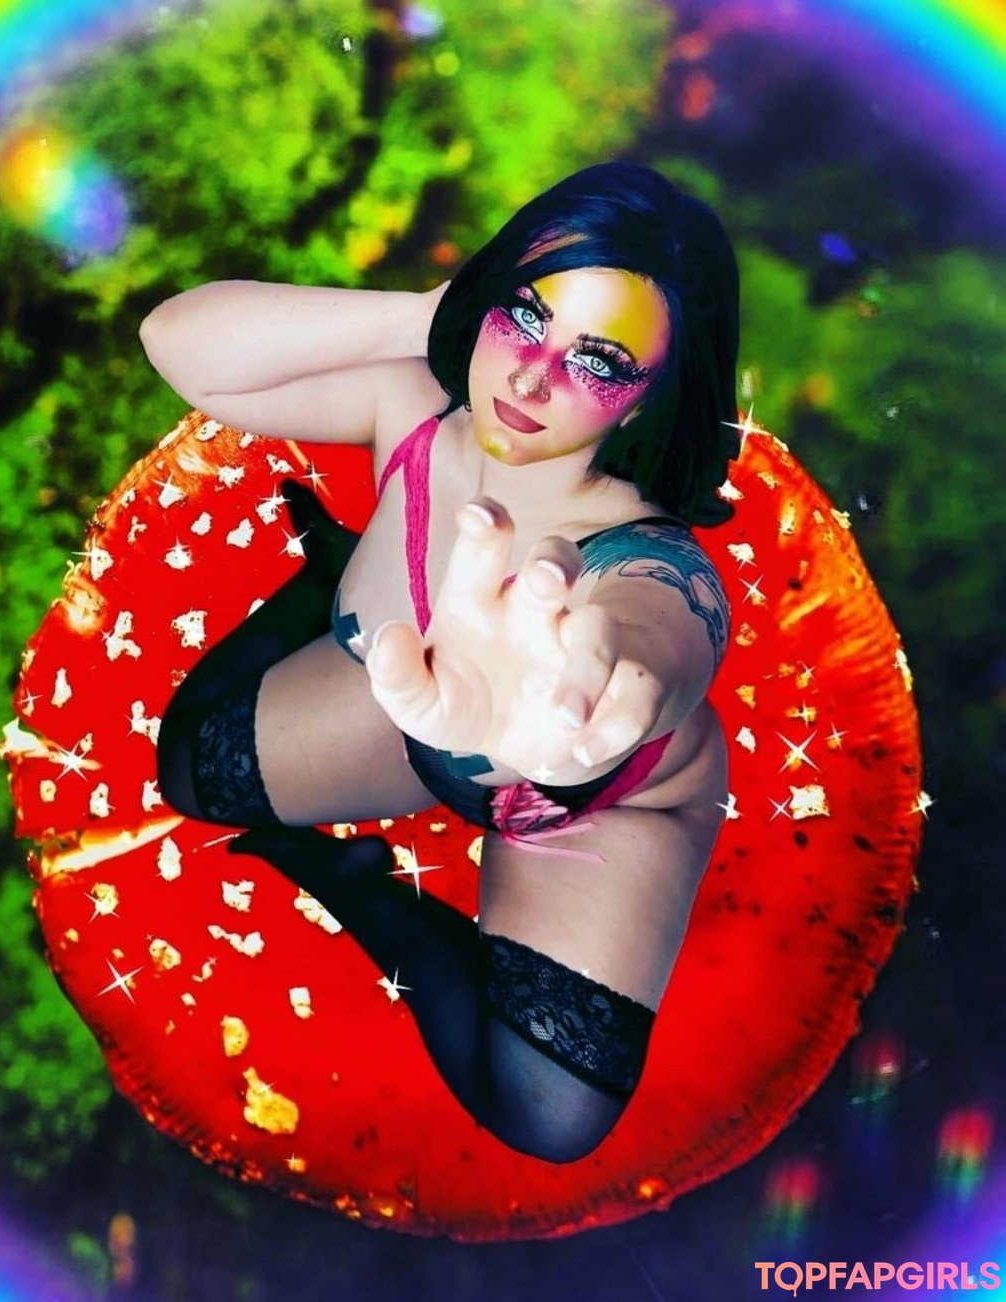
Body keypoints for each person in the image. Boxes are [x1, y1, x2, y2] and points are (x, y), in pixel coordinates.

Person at [141, 162, 739, 1164]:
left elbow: (659, 632)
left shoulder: (648, 561)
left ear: (648, 400)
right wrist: (430, 316)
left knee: (547, 1118)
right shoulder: (414, 405)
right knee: (190, 773)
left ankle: (370, 894)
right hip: (400, 709)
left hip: (604, 809)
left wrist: (600, 688)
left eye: (598, 361)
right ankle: (330, 576)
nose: (531, 380)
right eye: (525, 315)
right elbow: (179, 345)